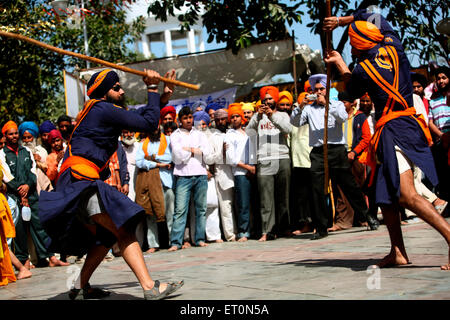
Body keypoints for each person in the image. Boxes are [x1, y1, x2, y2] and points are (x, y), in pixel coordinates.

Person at [38, 68, 184, 299]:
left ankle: (78, 287)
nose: (122, 90)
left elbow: (141, 117)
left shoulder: (99, 111)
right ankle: (150, 287)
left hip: (75, 181)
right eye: (117, 88)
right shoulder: (101, 108)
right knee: (122, 228)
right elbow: (146, 124)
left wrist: (162, 97)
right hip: (80, 179)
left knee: (106, 236)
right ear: (104, 92)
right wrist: (152, 88)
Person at [323, 9, 450, 269]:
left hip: (394, 129)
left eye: (352, 45)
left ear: (357, 48)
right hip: (405, 124)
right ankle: (397, 252)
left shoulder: (362, 69)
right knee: (387, 195)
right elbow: (373, 14)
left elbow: (352, 89)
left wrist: (338, 64)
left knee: (406, 194)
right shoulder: (394, 46)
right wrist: (341, 22)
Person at [290, 74, 377, 240]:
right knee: (316, 188)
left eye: (322, 89)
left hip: (336, 150)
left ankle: (367, 216)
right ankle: (321, 227)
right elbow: (295, 122)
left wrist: (327, 105)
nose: (319, 92)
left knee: (348, 185)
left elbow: (343, 118)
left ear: (327, 90)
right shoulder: (308, 108)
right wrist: (300, 105)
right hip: (317, 152)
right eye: (316, 90)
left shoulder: (336, 104)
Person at [1, 121, 68, 269]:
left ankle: (50, 257)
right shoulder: (2, 154)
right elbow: (6, 176)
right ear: (5, 136)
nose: (14, 136)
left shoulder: (26, 152)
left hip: (31, 193)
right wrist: (20, 190)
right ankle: (24, 262)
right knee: (20, 230)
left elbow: (32, 172)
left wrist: (27, 187)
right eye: (10, 134)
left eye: (15, 133)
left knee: (40, 225)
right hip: (14, 196)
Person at [246, 86, 293, 241]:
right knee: (266, 199)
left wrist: (272, 116)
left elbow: (288, 129)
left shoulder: (282, 115)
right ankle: (267, 231)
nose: (267, 102)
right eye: (264, 99)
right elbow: (248, 132)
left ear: (276, 99)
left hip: (282, 156)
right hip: (264, 159)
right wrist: (258, 117)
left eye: (270, 98)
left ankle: (284, 228)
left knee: (283, 196)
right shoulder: (257, 117)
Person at [168, 106, 211, 251]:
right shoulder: (175, 135)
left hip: (200, 173)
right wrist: (195, 151)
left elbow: (207, 152)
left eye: (190, 118)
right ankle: (176, 242)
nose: (188, 120)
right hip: (182, 175)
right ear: (180, 120)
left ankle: (199, 239)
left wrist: (189, 149)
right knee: (180, 210)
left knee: (201, 209)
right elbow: (178, 156)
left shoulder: (200, 134)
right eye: (185, 118)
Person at [135, 127, 173, 254]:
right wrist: (157, 164)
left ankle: (173, 242)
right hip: (149, 183)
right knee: (150, 214)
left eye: (155, 125)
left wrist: (152, 157)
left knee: (170, 213)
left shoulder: (167, 140)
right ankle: (153, 244)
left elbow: (170, 157)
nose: (154, 128)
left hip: (166, 182)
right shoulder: (143, 144)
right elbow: (139, 162)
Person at [225, 104, 256, 241]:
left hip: (253, 170)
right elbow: (231, 158)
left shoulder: (248, 132)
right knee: (243, 204)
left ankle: (256, 230)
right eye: (232, 117)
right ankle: (243, 232)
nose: (235, 119)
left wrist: (253, 166)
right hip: (240, 173)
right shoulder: (229, 135)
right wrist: (247, 167)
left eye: (237, 116)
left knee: (254, 203)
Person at [206, 108, 237, 242]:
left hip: (239, 172)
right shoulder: (213, 137)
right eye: (217, 120)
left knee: (239, 204)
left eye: (223, 119)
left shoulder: (234, 133)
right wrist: (222, 153)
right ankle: (230, 235)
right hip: (222, 173)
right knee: (226, 206)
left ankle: (243, 230)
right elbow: (209, 158)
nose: (220, 121)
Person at [289, 92, 315, 234]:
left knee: (314, 195)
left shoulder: (313, 116)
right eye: (302, 103)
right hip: (297, 162)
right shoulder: (294, 119)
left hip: (311, 160)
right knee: (302, 197)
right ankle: (306, 223)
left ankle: (317, 223)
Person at [428, 66, 450, 202]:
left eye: (444, 78)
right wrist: (442, 136)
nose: (441, 81)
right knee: (443, 174)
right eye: (438, 79)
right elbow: (430, 122)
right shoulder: (433, 100)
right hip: (440, 142)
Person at [18, 121, 53, 195]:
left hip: (43, 187)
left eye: (29, 137)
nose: (27, 141)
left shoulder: (41, 151)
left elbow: (47, 168)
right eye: (24, 138)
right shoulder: (19, 152)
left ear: (34, 138)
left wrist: (37, 162)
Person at [120, 130, 139, 201]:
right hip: (121, 184)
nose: (129, 135)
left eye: (131, 132)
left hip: (135, 185)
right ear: (121, 134)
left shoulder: (138, 147)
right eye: (126, 132)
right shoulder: (117, 147)